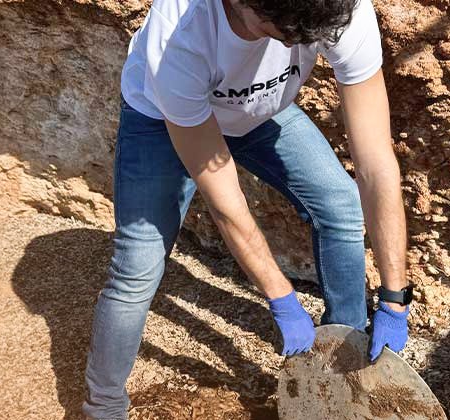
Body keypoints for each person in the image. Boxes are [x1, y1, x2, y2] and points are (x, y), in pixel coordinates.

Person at [82, 0, 413, 417]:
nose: (293, 44)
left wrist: (395, 298)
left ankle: (346, 357)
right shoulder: (181, 39)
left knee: (340, 203)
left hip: (255, 113)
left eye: (304, 36)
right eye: (279, 31)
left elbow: (376, 164)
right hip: (163, 120)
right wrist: (283, 300)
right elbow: (226, 202)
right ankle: (103, 406)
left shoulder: (338, 9)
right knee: (138, 266)